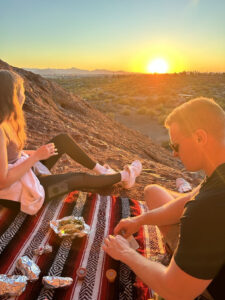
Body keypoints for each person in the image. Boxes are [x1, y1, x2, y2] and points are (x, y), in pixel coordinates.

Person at [103, 97, 225, 300]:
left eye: (176, 145)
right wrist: (139, 220)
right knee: (154, 192)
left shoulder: (207, 207)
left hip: (205, 288)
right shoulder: (218, 173)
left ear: (200, 138)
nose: (174, 154)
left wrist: (126, 254)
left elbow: (176, 292)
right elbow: (189, 200)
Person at [0, 69, 142, 215]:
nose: (24, 96)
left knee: (62, 140)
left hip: (25, 173)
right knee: (77, 178)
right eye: (22, 92)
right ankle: (125, 176)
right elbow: (2, 181)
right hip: (19, 193)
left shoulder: (9, 120)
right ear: (11, 96)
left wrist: (38, 154)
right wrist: (36, 157)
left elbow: (10, 156)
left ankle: (102, 171)